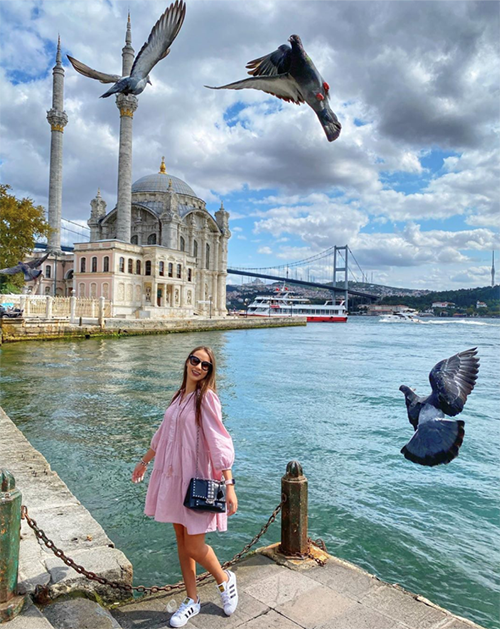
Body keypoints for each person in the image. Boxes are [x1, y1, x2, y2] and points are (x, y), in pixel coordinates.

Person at [131, 346, 238, 628]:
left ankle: (225, 579)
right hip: (173, 476)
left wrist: (229, 483)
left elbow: (219, 441)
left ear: (209, 371)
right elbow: (162, 435)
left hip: (195, 479)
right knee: (181, 541)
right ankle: (192, 599)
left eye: (205, 365)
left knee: (194, 545)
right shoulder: (179, 396)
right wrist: (144, 461)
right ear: (187, 362)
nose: (198, 367)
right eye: (195, 360)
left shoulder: (207, 398)